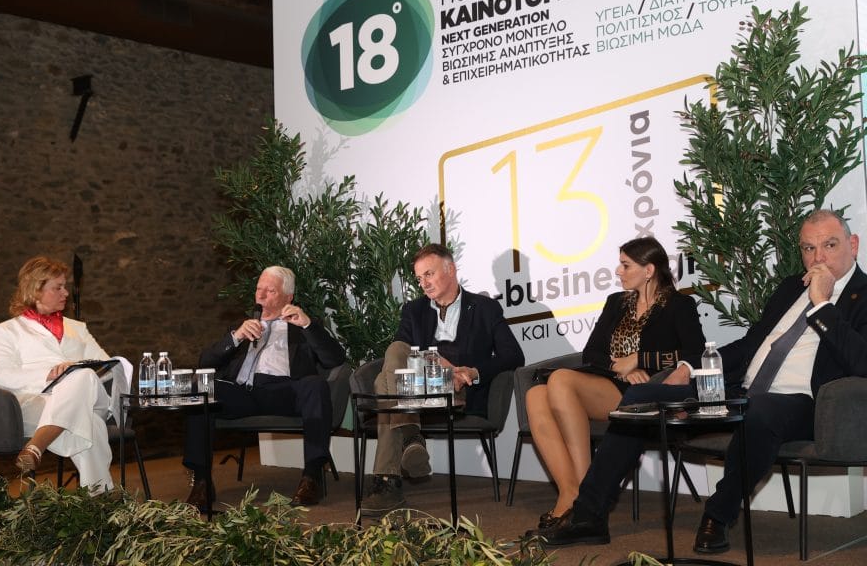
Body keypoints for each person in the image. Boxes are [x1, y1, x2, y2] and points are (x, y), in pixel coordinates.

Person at [535, 209, 867, 553]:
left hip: (805, 403)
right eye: (809, 248)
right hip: (741, 391)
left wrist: (822, 304)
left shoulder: (862, 294)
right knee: (641, 396)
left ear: (853, 244)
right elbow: (749, 346)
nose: (818, 257)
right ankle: (588, 516)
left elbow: (861, 361)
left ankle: (717, 516)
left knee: (761, 411)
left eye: (829, 245)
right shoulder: (789, 288)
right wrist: (690, 367)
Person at [524, 237, 706, 531]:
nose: (618, 271)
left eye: (625, 265)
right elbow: (591, 353)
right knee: (535, 394)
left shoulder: (679, 305)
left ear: (649, 270)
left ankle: (587, 497)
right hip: (611, 383)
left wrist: (639, 359)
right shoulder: (616, 303)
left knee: (559, 379)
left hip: (644, 392)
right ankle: (572, 493)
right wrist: (617, 368)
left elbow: (694, 353)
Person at [360, 243, 525, 516]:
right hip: (418, 386)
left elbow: (513, 355)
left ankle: (388, 481)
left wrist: (470, 371)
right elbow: (399, 357)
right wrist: (432, 363)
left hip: (458, 388)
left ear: (450, 270)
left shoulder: (484, 308)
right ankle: (411, 433)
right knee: (395, 350)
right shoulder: (414, 310)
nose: (424, 283)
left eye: (429, 274)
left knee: (382, 385)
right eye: (419, 278)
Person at [183, 265, 345, 508]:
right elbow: (205, 363)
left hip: (285, 392)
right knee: (202, 390)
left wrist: (307, 325)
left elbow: (335, 359)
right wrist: (236, 337)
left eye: (270, 291)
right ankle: (202, 482)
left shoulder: (302, 326)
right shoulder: (242, 325)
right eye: (259, 289)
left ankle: (312, 477)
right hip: (243, 393)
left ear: (288, 297)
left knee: (316, 385)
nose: (260, 295)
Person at [0, 255, 117, 491]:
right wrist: (48, 374)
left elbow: (107, 368)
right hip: (37, 405)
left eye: (65, 286)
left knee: (82, 375)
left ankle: (37, 445)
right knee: (90, 424)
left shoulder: (77, 328)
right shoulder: (6, 331)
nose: (66, 293)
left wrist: (75, 370)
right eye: (57, 287)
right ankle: (99, 498)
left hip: (90, 397)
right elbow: (0, 375)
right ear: (35, 290)